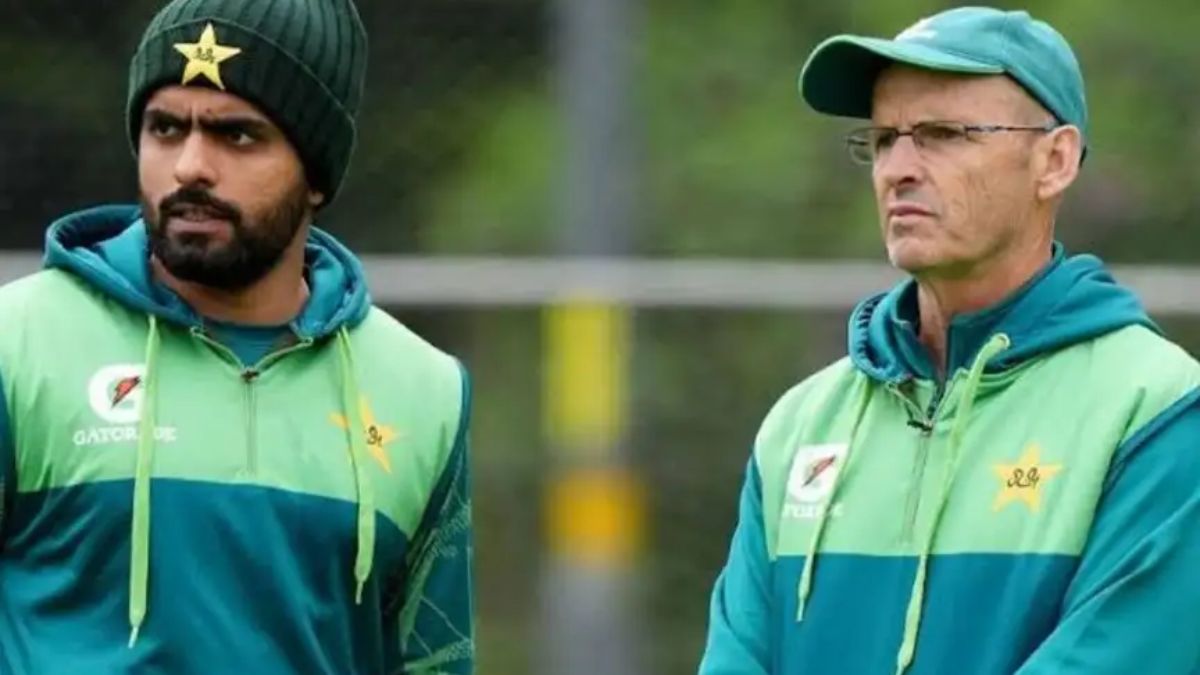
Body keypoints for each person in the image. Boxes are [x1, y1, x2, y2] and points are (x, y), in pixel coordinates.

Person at [699, 7, 1200, 674]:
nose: (898, 168)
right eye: (883, 139)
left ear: (1055, 160)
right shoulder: (799, 427)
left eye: (942, 134)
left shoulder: (1156, 411)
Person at [0, 1, 474, 673]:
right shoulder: (17, 346)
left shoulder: (425, 391)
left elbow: (435, 661)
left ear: (315, 175)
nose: (191, 166)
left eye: (238, 135)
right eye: (166, 128)